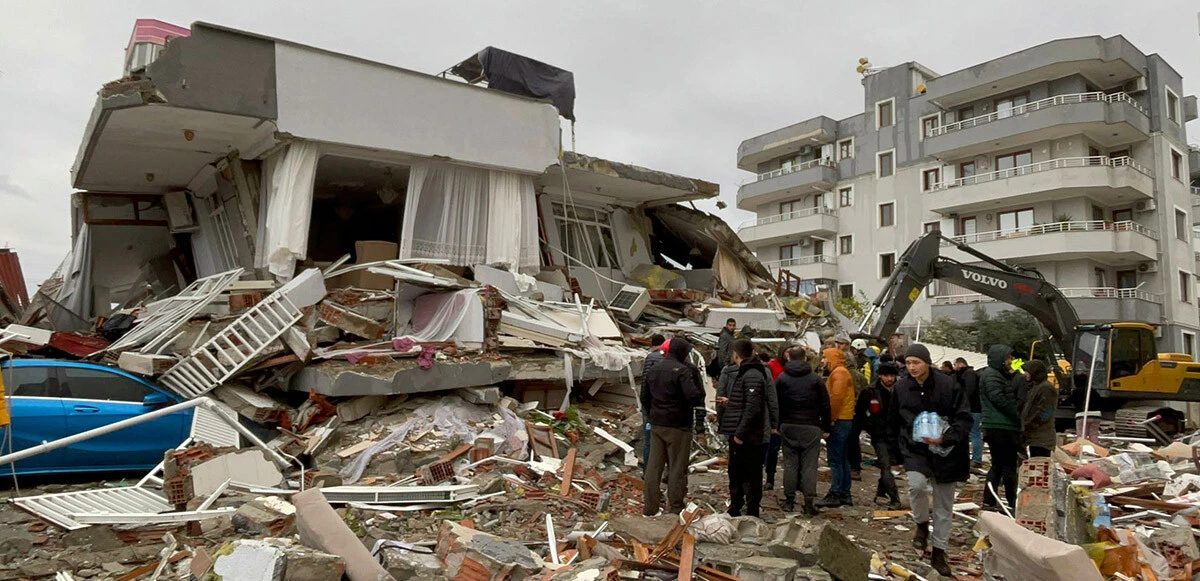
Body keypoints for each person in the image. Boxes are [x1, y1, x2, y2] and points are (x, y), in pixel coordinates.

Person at [886, 343, 971, 578]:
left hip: (948, 453)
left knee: (944, 505)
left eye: (917, 363)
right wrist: (893, 455)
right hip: (916, 450)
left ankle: (939, 551)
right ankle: (921, 524)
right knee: (915, 486)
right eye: (909, 363)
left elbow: (964, 418)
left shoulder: (948, 384)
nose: (912, 367)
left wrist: (946, 438)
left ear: (927, 363)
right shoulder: (901, 388)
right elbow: (893, 421)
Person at [641, 337, 706, 516]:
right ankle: (676, 507)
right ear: (683, 353)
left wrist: (652, 413)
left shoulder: (654, 369)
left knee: (653, 467)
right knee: (677, 467)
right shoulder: (683, 371)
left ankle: (650, 507)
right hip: (679, 425)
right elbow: (694, 397)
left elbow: (644, 397)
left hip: (657, 423)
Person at [718, 340, 771, 517]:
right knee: (738, 472)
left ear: (735, 355)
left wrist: (739, 434)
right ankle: (737, 506)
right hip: (745, 431)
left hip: (748, 436)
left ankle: (750, 510)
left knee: (750, 473)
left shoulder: (752, 375)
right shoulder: (749, 373)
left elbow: (753, 407)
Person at [776, 346, 831, 516]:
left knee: (790, 464)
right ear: (806, 358)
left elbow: (775, 403)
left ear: (789, 359)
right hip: (811, 426)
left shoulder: (782, 378)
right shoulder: (815, 379)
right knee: (809, 465)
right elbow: (825, 404)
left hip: (788, 425)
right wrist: (826, 427)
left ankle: (789, 501)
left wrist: (776, 425)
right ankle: (808, 503)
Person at [979, 345, 1022, 510]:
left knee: (998, 464)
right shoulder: (992, 375)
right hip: (1001, 426)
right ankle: (1011, 501)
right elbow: (998, 398)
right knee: (1008, 465)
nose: (1010, 361)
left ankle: (990, 499)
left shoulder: (996, 374)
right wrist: (1016, 416)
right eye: (1008, 358)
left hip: (996, 425)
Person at [856, 361, 902, 509]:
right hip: (879, 435)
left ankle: (882, 492)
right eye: (886, 375)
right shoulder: (870, 391)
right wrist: (870, 428)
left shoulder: (900, 390)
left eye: (892, 375)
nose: (890, 379)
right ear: (880, 375)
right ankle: (895, 499)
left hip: (897, 436)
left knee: (890, 464)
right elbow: (861, 413)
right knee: (886, 465)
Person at [816, 347, 856, 508]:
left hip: (839, 420)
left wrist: (829, 420)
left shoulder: (838, 373)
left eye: (825, 358)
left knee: (835, 458)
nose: (823, 361)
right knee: (842, 457)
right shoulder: (842, 372)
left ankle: (836, 492)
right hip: (844, 419)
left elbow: (836, 398)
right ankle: (844, 492)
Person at [640, 334, 668, 465]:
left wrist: (645, 406)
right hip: (666, 407)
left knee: (649, 440)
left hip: (651, 405)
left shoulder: (650, 358)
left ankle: (648, 470)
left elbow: (645, 383)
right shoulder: (671, 359)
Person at [1021, 360, 1057, 457]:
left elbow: (1045, 411)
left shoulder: (1045, 388)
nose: (1025, 374)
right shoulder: (1035, 387)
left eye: (1027, 371)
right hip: (1035, 436)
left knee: (1039, 465)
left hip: (1041, 437)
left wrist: (1030, 424)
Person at [953, 357, 983, 468]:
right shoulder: (967, 374)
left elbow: (969, 391)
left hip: (973, 409)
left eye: (955, 364)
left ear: (960, 364)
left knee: (974, 434)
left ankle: (976, 459)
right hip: (973, 408)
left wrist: (965, 405)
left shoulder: (968, 374)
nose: (954, 367)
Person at [763, 348, 786, 490]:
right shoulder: (772, 367)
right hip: (777, 412)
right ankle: (769, 477)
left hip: (788, 414)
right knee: (772, 448)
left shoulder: (789, 369)